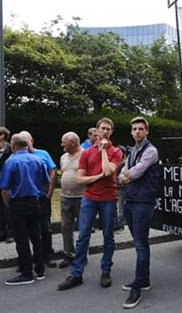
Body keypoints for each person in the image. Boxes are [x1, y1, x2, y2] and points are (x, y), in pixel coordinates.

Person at [58, 117, 122, 291]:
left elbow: (109, 171)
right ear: (97, 130)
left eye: (109, 129)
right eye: (102, 128)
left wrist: (103, 150)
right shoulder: (86, 153)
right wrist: (98, 177)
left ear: (111, 132)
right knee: (83, 236)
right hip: (89, 198)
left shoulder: (116, 152)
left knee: (108, 236)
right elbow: (80, 179)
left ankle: (106, 271)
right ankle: (76, 274)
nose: (105, 131)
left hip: (108, 199)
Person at [0, 133, 50, 285]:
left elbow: (5, 189)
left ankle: (26, 273)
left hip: (18, 203)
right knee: (36, 236)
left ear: (13, 147)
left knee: (21, 239)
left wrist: (8, 205)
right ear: (27, 145)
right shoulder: (39, 160)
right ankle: (40, 270)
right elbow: (45, 183)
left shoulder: (11, 162)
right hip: (35, 201)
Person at [120, 116, 160, 309]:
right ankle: (143, 280)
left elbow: (136, 172)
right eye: (134, 129)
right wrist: (126, 176)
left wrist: (126, 176)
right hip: (131, 200)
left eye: (140, 129)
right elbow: (123, 173)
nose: (137, 132)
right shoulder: (132, 151)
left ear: (146, 131)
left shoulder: (150, 150)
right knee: (139, 243)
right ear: (131, 132)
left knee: (141, 245)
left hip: (143, 202)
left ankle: (138, 286)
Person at [19, 131, 57, 268]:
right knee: (26, 230)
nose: (24, 143)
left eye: (26, 140)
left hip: (42, 198)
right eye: (22, 141)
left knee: (45, 228)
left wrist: (49, 193)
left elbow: (52, 173)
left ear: (32, 140)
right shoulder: (17, 156)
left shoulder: (43, 154)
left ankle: (48, 255)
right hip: (26, 199)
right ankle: (29, 259)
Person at [58, 132, 85, 269]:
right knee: (65, 227)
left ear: (73, 143)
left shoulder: (85, 154)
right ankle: (68, 254)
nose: (62, 144)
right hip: (65, 197)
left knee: (83, 228)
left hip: (82, 197)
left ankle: (82, 256)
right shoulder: (63, 157)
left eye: (64, 142)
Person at [114, 145, 128, 232]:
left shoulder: (123, 163)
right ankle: (120, 222)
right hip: (117, 187)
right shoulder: (119, 162)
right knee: (119, 206)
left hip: (121, 187)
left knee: (120, 206)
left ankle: (121, 223)